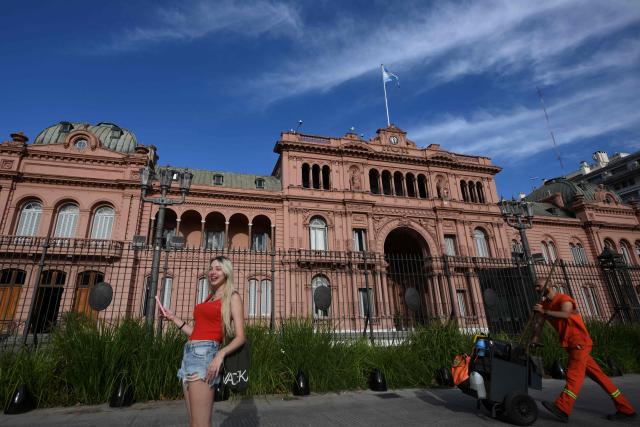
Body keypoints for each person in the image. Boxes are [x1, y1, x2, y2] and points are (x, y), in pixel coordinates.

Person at [533, 279, 636, 423]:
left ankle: (563, 408)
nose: (537, 288)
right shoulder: (544, 305)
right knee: (600, 377)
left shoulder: (564, 299)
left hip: (579, 341)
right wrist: (535, 338)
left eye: (539, 285)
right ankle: (626, 408)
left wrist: (544, 311)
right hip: (571, 344)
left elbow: (566, 314)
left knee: (573, 376)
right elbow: (538, 323)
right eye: (535, 287)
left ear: (549, 285)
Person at [163, 256, 246, 427]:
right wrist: (174, 319)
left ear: (226, 272)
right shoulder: (209, 297)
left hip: (205, 356)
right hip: (189, 354)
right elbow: (196, 333)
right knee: (193, 422)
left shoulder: (233, 297)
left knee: (200, 424)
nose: (213, 272)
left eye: (218, 268)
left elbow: (240, 337)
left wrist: (220, 355)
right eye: (211, 268)